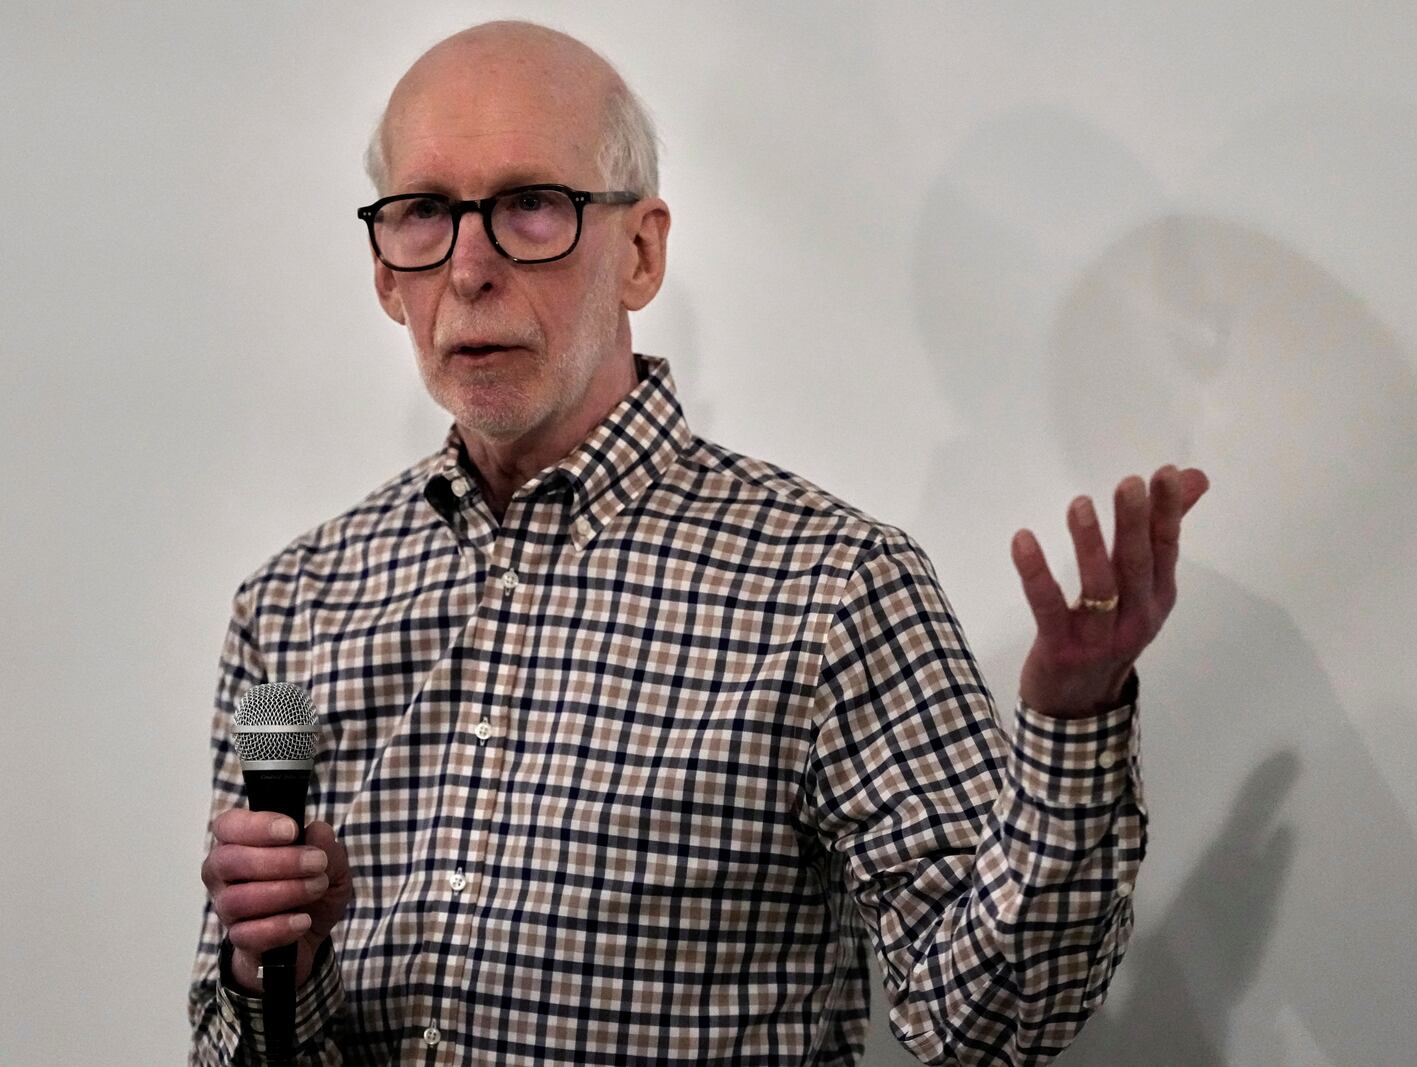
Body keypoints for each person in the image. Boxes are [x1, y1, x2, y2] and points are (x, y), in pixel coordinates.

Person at [189, 20, 1207, 1066]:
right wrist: (283, 970)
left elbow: (988, 1024)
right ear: (382, 271)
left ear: (639, 252)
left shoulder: (831, 588)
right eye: (423, 215)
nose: (470, 267)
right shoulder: (295, 605)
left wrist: (1068, 730)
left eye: (530, 205)